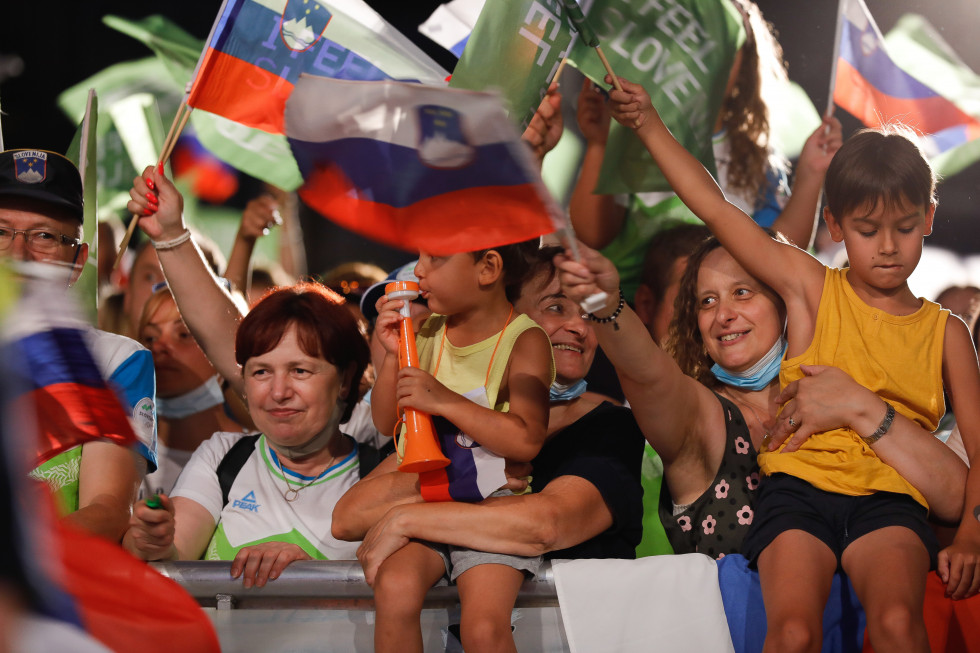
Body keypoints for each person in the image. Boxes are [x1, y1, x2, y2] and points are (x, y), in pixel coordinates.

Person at [600, 75, 980, 651]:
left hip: (892, 504)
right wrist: (648, 123)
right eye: (867, 229)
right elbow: (713, 207)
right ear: (834, 227)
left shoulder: (947, 333)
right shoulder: (811, 288)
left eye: (903, 228)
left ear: (928, 218)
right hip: (797, 495)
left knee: (901, 626)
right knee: (792, 632)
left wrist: (972, 539)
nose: (886, 246)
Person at [332, 245, 645, 610]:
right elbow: (349, 516)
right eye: (555, 307)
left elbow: (546, 526)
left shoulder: (610, 426)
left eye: (590, 315)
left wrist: (407, 516)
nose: (578, 327)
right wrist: (474, 476)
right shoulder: (450, 420)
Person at [568, 0, 842, 300]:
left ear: (746, 57)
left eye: (719, 40)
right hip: (639, 317)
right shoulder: (635, 132)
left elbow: (783, 254)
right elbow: (592, 234)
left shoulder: (752, 156)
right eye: (693, 39)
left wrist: (811, 177)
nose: (704, 54)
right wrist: (599, 146)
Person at [367, 241, 553, 653]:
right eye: (419, 258)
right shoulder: (427, 332)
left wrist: (443, 399)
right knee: (394, 587)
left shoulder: (525, 339)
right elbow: (384, 423)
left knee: (483, 629)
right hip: (428, 505)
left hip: (492, 513)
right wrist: (392, 355)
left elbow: (527, 439)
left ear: (488, 268)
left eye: (435, 258)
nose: (418, 271)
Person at [123, 282, 371, 586]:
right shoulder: (222, 456)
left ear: (345, 380)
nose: (278, 392)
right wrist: (151, 539)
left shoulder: (378, 476)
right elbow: (175, 553)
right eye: (261, 372)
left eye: (300, 371)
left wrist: (310, 578)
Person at [0, 149, 157, 542]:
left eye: (44, 237)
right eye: (0, 232)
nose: (18, 255)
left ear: (76, 262)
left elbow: (107, 512)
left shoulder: (116, 361)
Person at [137, 285, 250, 497]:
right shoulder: (126, 455)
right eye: (150, 337)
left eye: (183, 334)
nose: (160, 346)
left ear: (229, 352)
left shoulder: (256, 455)